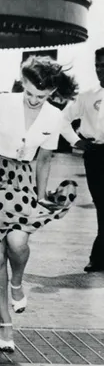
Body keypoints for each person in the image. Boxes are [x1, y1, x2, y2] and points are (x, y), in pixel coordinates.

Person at [0, 56, 78, 352]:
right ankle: (5, 322)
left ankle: (17, 282)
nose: (33, 100)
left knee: (17, 244)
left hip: (22, 181)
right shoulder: (3, 103)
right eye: (29, 93)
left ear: (52, 93)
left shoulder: (54, 117)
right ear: (23, 84)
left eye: (40, 96)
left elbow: (44, 159)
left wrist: (42, 197)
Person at [61, 47, 104, 272]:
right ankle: (98, 257)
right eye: (98, 66)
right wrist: (75, 141)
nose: (100, 71)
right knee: (101, 204)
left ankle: (99, 255)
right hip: (96, 155)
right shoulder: (87, 97)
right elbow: (62, 119)